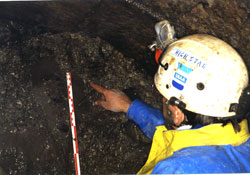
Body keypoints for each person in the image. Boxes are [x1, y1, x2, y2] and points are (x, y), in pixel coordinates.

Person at [90, 28, 250, 173]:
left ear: (177, 113)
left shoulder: (174, 170)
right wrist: (129, 106)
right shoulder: (239, 142)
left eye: (163, 97)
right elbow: (184, 134)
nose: (162, 100)